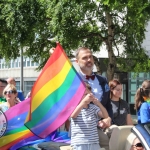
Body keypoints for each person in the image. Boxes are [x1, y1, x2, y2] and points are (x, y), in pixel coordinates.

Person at [70, 82, 109, 150]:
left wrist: (99, 104)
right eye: (85, 94)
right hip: (79, 142)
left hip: (94, 142)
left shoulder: (93, 107)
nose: (87, 97)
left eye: (89, 94)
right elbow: (73, 115)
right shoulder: (74, 107)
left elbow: (105, 115)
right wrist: (83, 102)